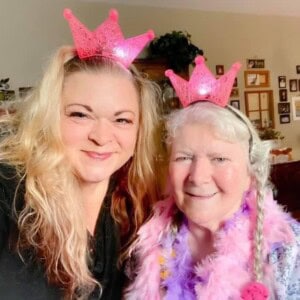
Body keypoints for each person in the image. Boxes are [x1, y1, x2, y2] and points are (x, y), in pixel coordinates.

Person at [0, 8, 161, 300]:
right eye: (80, 115)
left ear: (139, 131)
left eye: (122, 119)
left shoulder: (126, 212)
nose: (101, 137)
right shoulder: (8, 194)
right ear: (49, 118)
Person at [124, 56, 300, 299]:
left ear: (251, 174)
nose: (198, 177)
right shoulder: (143, 245)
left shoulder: (289, 249)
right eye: (184, 157)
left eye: (219, 158)